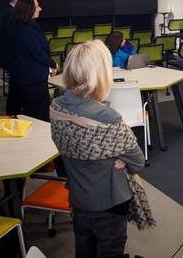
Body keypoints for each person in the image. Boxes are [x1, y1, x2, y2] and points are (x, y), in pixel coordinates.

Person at [50, 40, 154, 257]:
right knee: (110, 249)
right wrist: (118, 155)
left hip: (78, 198)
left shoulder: (57, 106)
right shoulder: (107, 117)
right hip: (109, 202)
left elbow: (75, 146)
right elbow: (137, 160)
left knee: (84, 250)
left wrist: (110, 151)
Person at [8, 0, 56, 122]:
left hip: (29, 77)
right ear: (29, 9)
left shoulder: (24, 26)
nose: (40, 9)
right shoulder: (26, 30)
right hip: (32, 80)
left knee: (34, 114)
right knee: (39, 116)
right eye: (37, 6)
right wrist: (53, 64)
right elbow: (37, 53)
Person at [0, 0, 27, 115]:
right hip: (13, 56)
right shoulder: (9, 13)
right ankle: (13, 114)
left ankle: (14, 113)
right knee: (15, 89)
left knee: (16, 88)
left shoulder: (11, 11)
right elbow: (13, 36)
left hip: (15, 56)